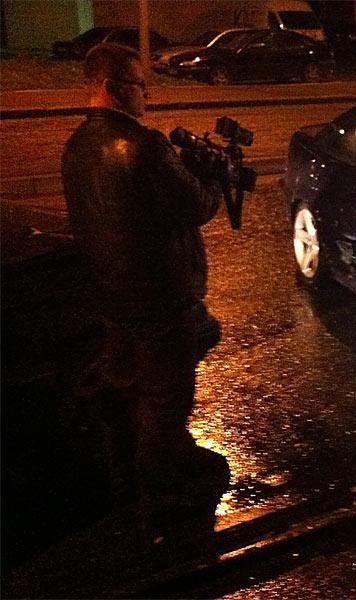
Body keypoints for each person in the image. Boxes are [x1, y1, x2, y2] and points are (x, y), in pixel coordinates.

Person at [62, 43, 229, 535]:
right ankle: (162, 498)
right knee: (165, 398)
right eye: (139, 84)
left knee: (125, 388)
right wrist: (210, 176)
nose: (147, 94)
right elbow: (197, 205)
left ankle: (122, 472)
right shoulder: (145, 146)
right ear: (114, 89)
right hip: (161, 299)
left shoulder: (77, 144)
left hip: (112, 296)